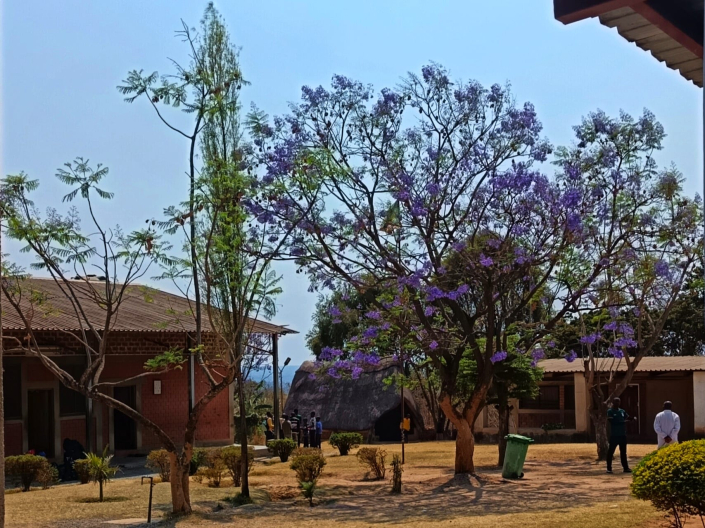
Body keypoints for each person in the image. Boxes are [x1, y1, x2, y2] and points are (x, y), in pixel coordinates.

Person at [606, 397, 634, 474]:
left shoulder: (622, 411)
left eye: (619, 401)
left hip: (622, 435)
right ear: (613, 402)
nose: (617, 403)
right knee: (611, 452)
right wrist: (624, 422)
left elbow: (628, 417)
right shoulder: (610, 411)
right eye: (616, 401)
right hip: (614, 435)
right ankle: (609, 468)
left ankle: (625, 468)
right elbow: (612, 421)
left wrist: (632, 419)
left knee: (623, 452)